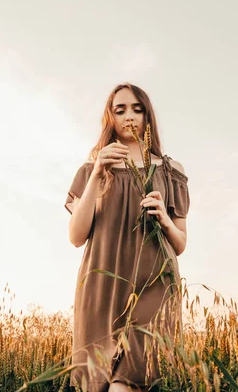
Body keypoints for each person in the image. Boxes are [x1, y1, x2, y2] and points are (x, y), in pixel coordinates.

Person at [64, 83, 190, 391]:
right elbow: (77, 237)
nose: (129, 117)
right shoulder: (91, 170)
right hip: (102, 286)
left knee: (129, 384)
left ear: (148, 116)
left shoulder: (171, 170)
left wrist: (163, 218)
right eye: (120, 110)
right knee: (96, 384)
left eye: (137, 109)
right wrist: (97, 174)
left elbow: (181, 243)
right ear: (110, 117)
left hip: (154, 285)